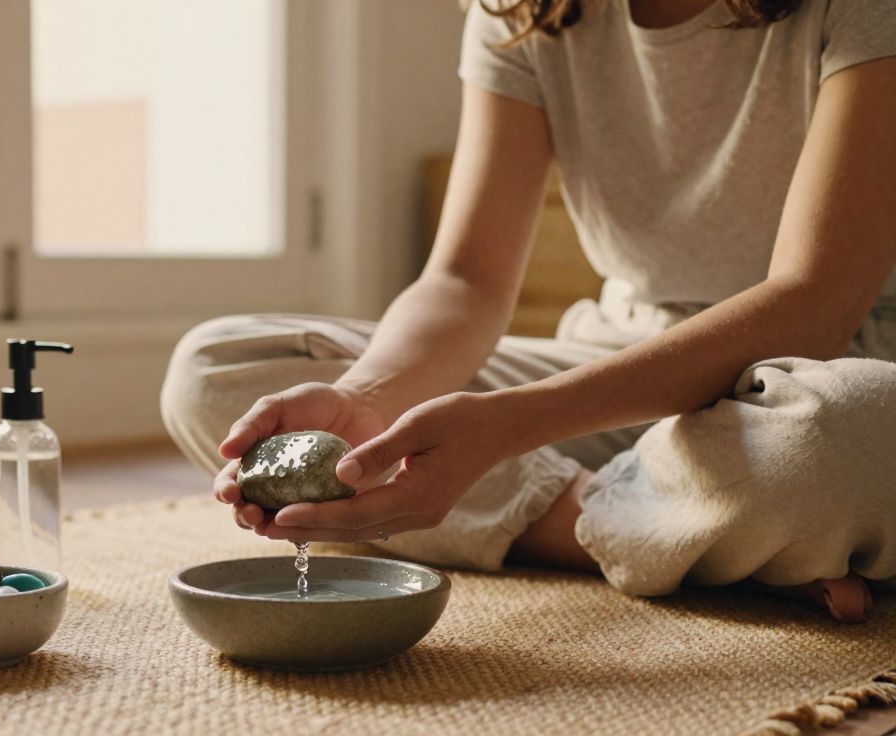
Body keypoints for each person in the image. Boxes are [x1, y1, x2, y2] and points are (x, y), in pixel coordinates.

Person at [160, 0, 896, 623]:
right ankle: (663, 528)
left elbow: (814, 304)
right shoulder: (520, 12)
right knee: (215, 367)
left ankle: (696, 524)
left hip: (820, 375)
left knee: (834, 443)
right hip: (613, 365)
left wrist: (515, 423)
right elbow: (465, 281)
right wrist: (369, 397)